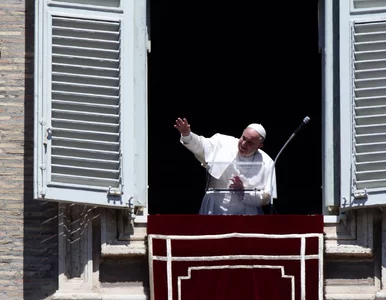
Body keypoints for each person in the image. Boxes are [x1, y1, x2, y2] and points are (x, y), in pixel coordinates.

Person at [174, 117, 277, 215]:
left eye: (250, 142)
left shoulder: (267, 162)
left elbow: (267, 198)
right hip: (215, 209)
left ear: (259, 146)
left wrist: (243, 191)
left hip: (247, 214)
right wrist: (187, 134)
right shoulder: (223, 142)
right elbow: (201, 146)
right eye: (243, 138)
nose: (243, 144)